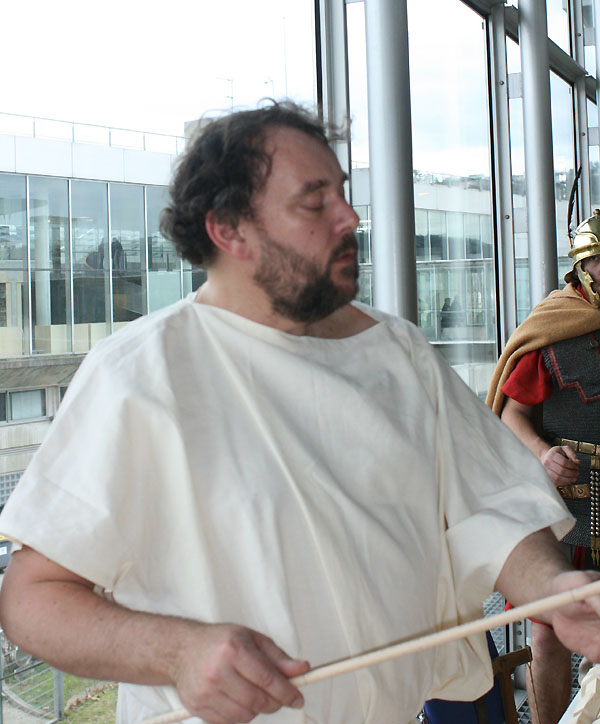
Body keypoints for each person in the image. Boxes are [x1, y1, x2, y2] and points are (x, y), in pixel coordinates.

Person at [0, 102, 598, 724]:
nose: (350, 217)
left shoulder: (397, 353)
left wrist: (553, 590)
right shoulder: (140, 373)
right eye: (315, 203)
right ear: (229, 230)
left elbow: (494, 507)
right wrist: (177, 652)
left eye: (342, 192)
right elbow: (32, 599)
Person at [486, 209, 600, 724]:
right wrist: (543, 454)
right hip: (566, 505)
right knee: (548, 629)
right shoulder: (554, 325)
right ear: (582, 267)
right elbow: (512, 414)